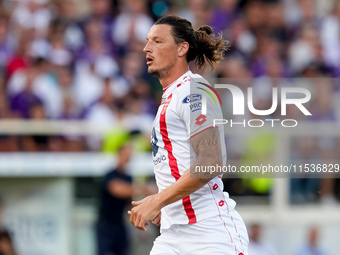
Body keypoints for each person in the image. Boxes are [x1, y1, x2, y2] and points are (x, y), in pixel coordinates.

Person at [128, 15, 249, 255]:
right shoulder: (170, 97)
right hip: (173, 234)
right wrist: (169, 205)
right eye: (147, 41)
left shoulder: (194, 93)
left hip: (209, 234)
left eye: (158, 41)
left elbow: (211, 162)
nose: (146, 48)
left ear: (182, 48)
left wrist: (158, 200)